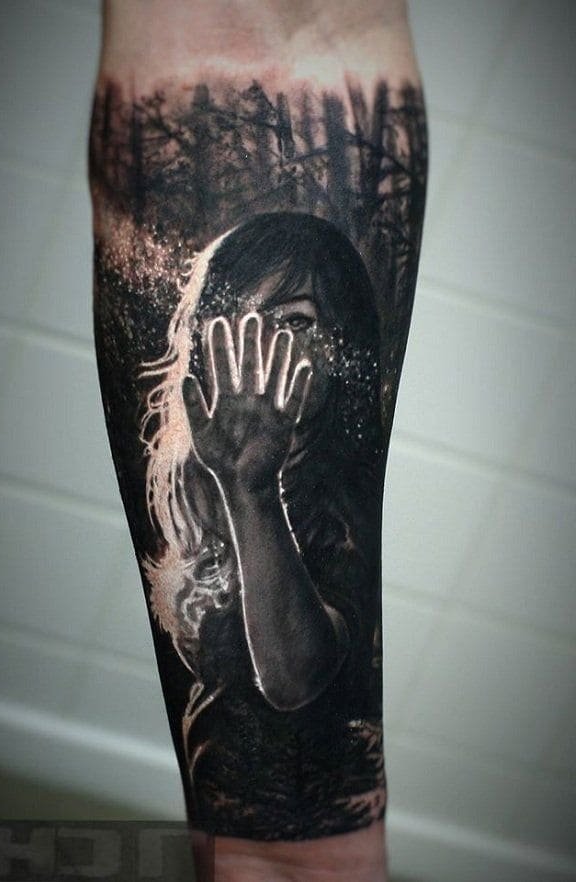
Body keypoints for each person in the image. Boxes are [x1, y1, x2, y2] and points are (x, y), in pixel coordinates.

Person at [90, 2, 427, 879]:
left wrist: (286, 852)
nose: (266, 356)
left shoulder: (317, 513)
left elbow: (297, 677)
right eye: (249, 326)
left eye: (301, 327)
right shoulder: (207, 485)